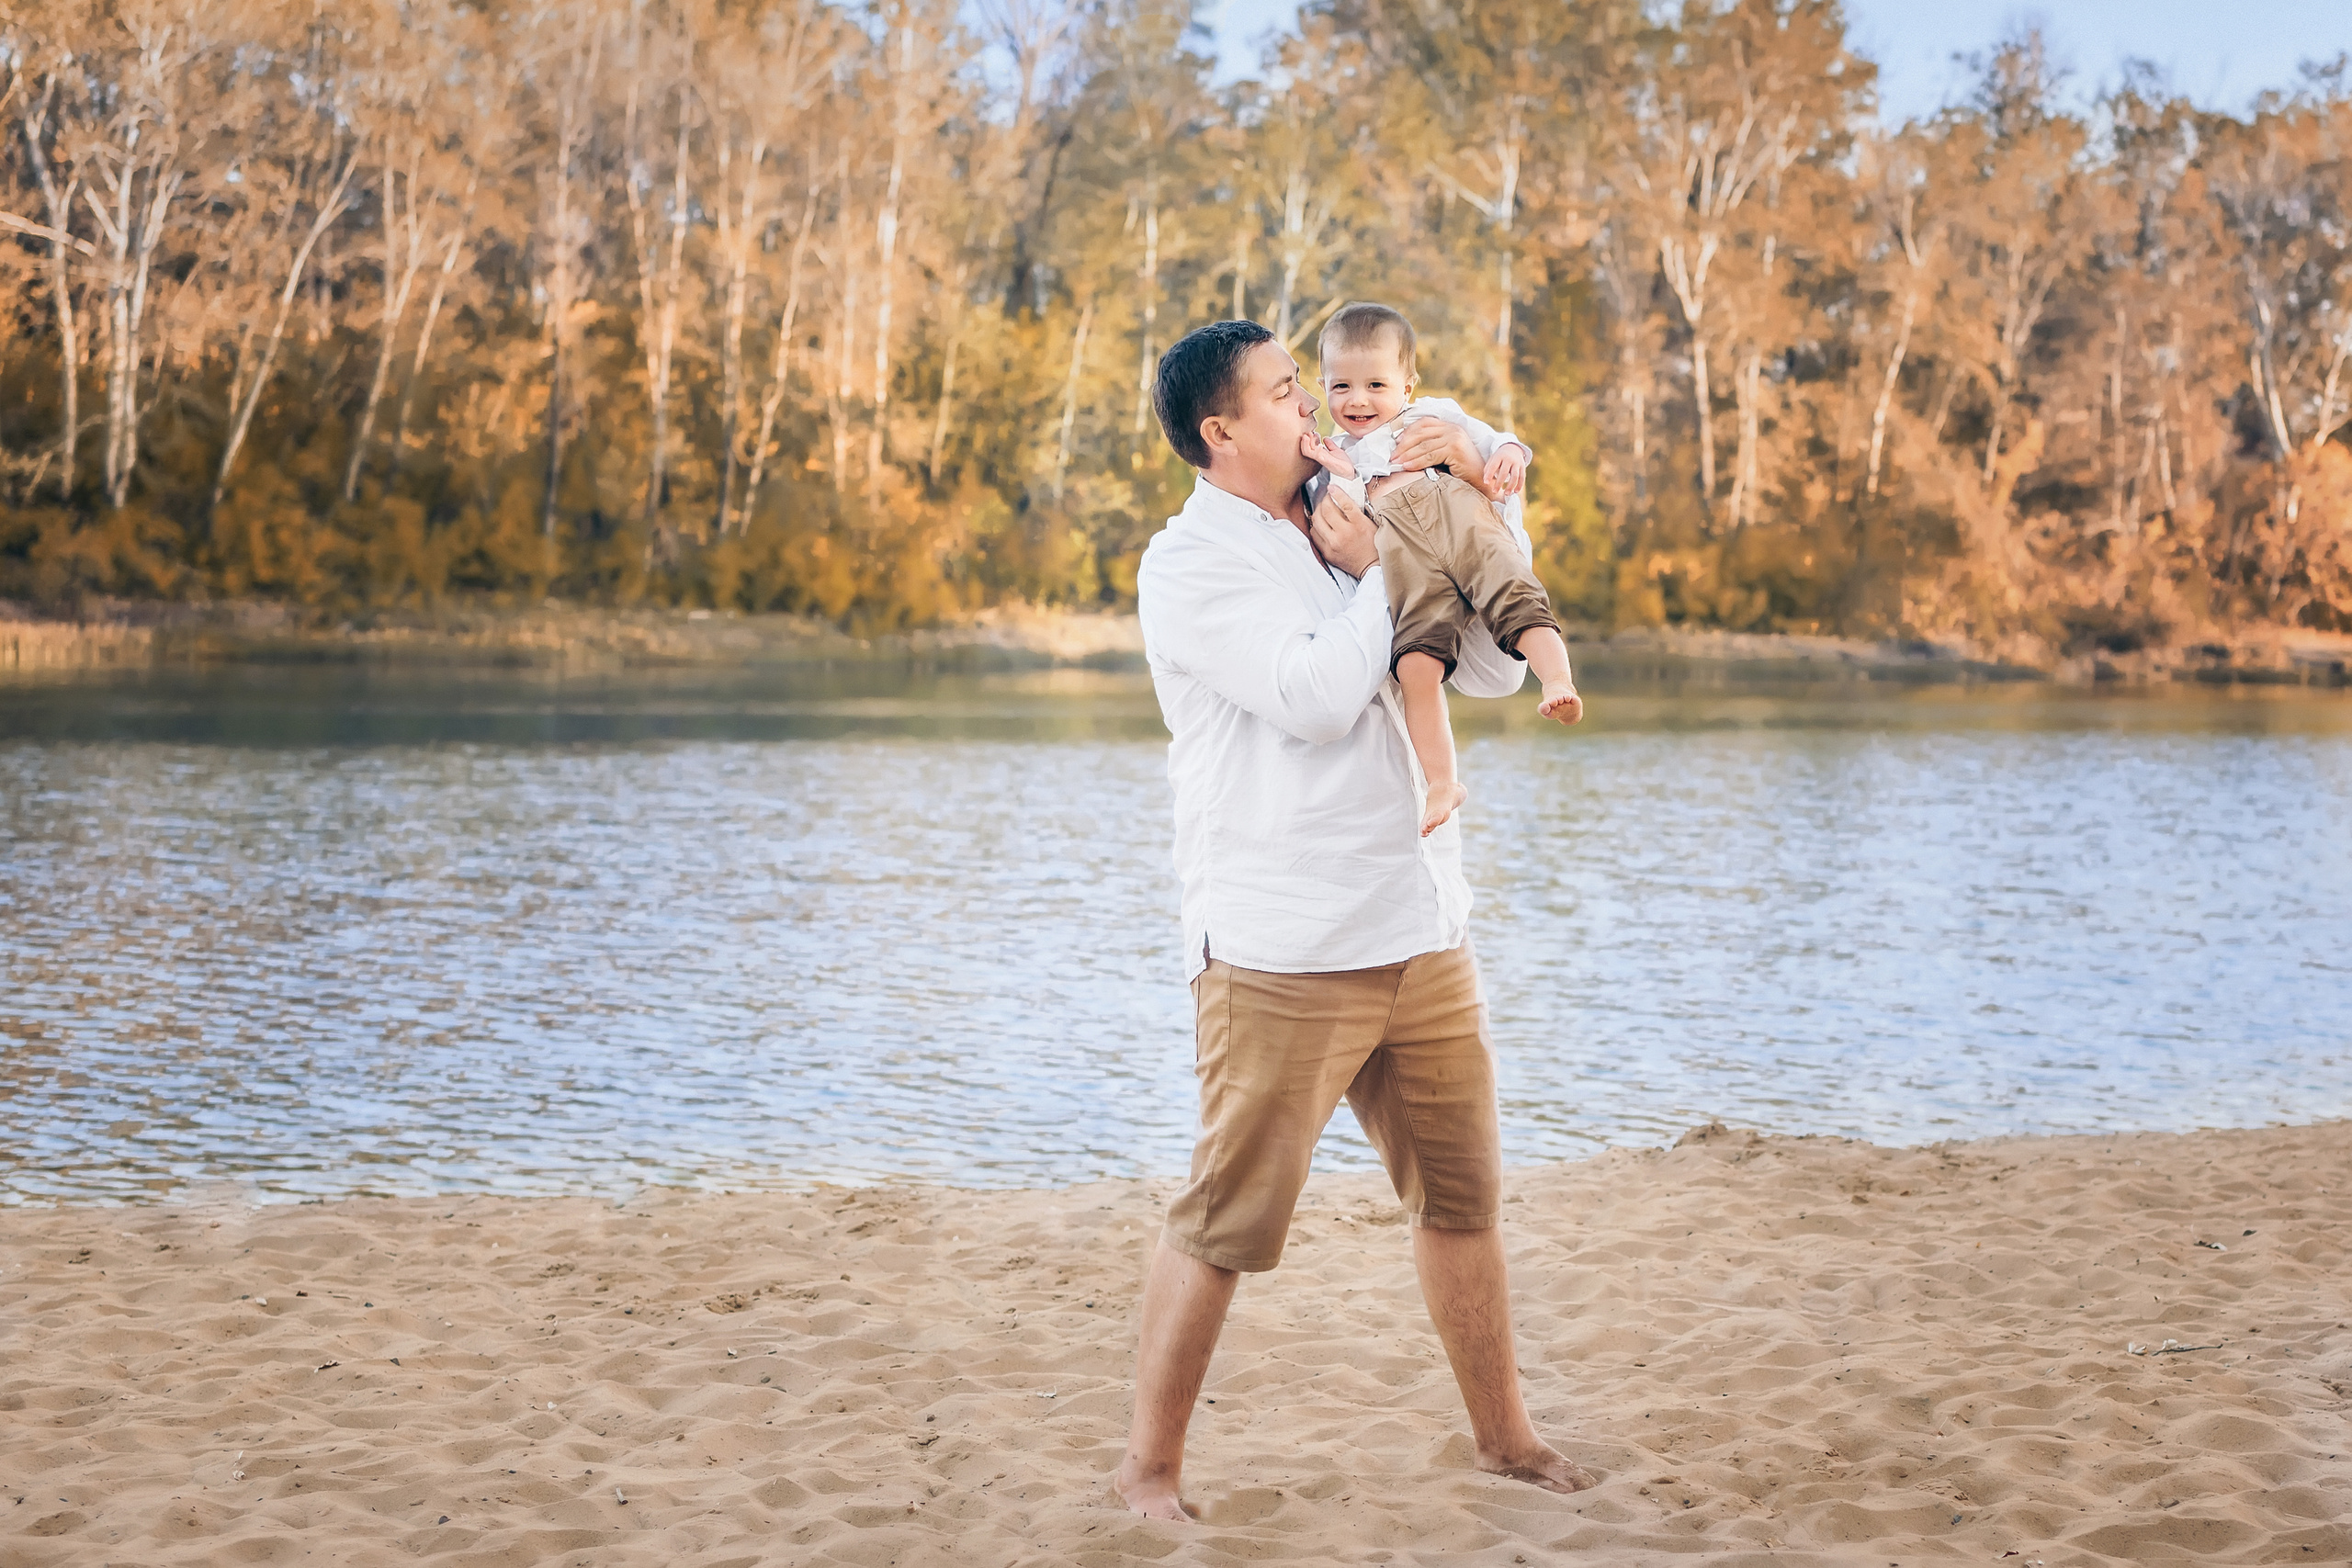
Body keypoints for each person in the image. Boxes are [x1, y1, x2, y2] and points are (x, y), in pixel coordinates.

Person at [1116, 318, 1598, 1521]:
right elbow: (1321, 696)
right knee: (1226, 1220)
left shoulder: (1351, 501)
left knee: (1462, 1197)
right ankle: (1149, 1474)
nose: (1316, 411)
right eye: (1288, 393)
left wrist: (1487, 499)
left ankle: (1506, 1436)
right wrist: (1385, 558)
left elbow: (1483, 670)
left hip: (1420, 922)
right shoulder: (1189, 565)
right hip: (1283, 948)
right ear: (1222, 430)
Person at [1308, 301, 1584, 836]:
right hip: (1407, 559)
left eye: (1375, 385)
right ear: (1323, 386)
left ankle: (1556, 681)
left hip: (1460, 521)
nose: (1358, 400)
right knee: (1416, 665)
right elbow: (1340, 519)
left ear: (1407, 386)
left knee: (1516, 599)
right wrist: (1337, 473)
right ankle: (1441, 780)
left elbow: (1494, 439)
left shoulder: (1432, 415)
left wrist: (1507, 455)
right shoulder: (1335, 454)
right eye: (1340, 387)